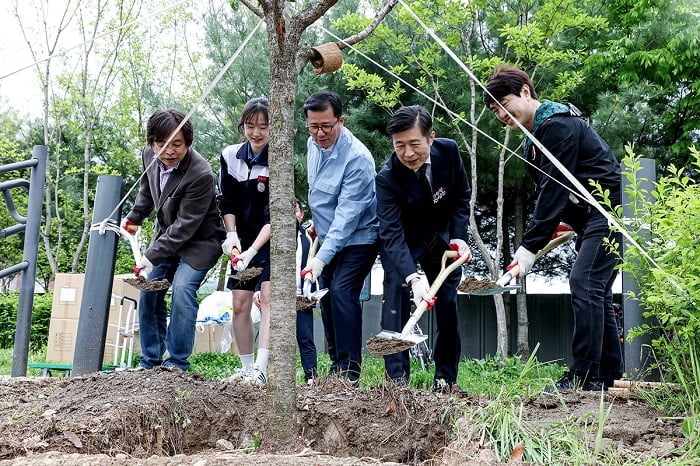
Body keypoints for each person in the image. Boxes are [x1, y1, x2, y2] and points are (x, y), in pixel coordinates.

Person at [484, 65, 623, 391]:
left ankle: (583, 376)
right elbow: (558, 195)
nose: (502, 115)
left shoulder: (557, 124)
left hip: (610, 212)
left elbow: (554, 189)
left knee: (584, 282)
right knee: (596, 291)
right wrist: (558, 224)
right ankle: (606, 375)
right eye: (494, 111)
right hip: (588, 218)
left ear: (526, 92)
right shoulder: (532, 142)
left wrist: (529, 246)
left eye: (504, 104)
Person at [376, 105, 472, 392]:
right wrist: (413, 278)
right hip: (402, 245)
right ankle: (397, 384)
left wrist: (459, 237)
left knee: (448, 306)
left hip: (439, 243)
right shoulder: (387, 178)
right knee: (396, 299)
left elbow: (460, 197)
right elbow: (391, 234)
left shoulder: (450, 152)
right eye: (399, 146)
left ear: (431, 137)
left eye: (414, 144)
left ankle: (445, 380)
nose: (407, 153)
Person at [123, 109, 225, 371]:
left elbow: (185, 227)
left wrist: (150, 256)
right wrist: (135, 217)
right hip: (166, 236)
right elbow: (147, 190)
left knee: (182, 290)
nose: (169, 151)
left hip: (199, 242)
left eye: (177, 144)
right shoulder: (149, 155)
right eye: (161, 144)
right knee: (148, 293)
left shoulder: (201, 174)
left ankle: (177, 363)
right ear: (151, 143)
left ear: (188, 143)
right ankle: (150, 361)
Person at [300, 90, 379, 383]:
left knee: (343, 293)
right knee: (327, 298)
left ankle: (349, 370)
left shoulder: (358, 159)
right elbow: (320, 194)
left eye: (326, 126)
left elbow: (347, 218)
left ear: (341, 121)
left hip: (359, 236)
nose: (320, 133)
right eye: (313, 126)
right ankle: (335, 363)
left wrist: (319, 260)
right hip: (326, 235)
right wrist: (316, 224)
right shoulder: (312, 144)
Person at [217, 97, 272, 386]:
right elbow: (227, 202)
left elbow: (274, 215)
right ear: (243, 126)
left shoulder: (278, 159)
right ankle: (247, 368)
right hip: (243, 240)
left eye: (264, 127)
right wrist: (233, 238)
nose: (257, 133)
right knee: (239, 303)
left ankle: (262, 369)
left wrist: (253, 251)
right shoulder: (230, 156)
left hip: (271, 241)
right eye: (251, 126)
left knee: (269, 300)